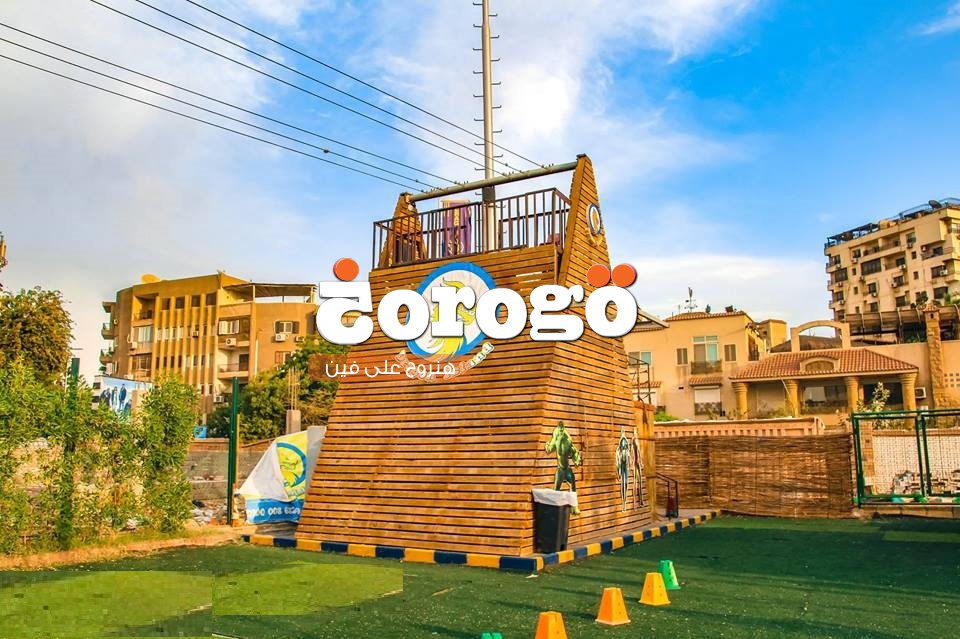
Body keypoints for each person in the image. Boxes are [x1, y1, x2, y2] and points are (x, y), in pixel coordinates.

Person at [545, 421, 582, 514]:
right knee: (556, 489)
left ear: (564, 429)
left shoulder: (568, 441)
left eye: (562, 428)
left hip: (567, 469)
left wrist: (576, 460)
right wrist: (547, 446)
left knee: (573, 486)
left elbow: (574, 452)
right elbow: (549, 449)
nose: (561, 430)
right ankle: (554, 508)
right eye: (560, 428)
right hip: (560, 469)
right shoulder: (556, 440)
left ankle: (574, 507)